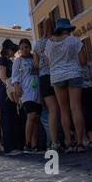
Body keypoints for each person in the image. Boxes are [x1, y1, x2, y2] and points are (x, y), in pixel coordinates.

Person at [45, 19, 87, 153]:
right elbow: (83, 61)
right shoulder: (74, 41)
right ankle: (80, 143)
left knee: (64, 110)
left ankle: (69, 143)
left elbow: (47, 62)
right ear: (68, 29)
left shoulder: (49, 44)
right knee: (76, 108)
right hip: (74, 73)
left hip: (57, 77)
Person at [33, 18, 61, 152]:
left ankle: (54, 142)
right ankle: (68, 139)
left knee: (52, 110)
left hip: (44, 77)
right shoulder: (57, 40)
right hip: (57, 74)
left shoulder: (38, 44)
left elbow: (36, 65)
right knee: (65, 109)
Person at [12, 39, 42, 154]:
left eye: (26, 47)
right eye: (22, 48)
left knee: (36, 118)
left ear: (30, 48)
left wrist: (35, 56)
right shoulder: (18, 61)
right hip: (26, 92)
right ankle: (27, 143)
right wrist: (17, 87)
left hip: (37, 91)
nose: (24, 50)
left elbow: (37, 68)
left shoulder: (34, 58)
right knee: (31, 115)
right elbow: (15, 76)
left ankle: (35, 145)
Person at [0, 39, 24, 156]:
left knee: (14, 119)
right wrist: (10, 85)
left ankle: (16, 145)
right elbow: (3, 77)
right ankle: (9, 148)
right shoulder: (2, 60)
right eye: (13, 49)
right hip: (5, 92)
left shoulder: (10, 61)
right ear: (8, 50)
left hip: (11, 92)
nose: (14, 51)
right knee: (7, 120)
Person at [81, 62, 92, 149]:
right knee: (89, 113)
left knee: (79, 113)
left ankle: (83, 138)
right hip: (89, 88)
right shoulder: (87, 62)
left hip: (78, 88)